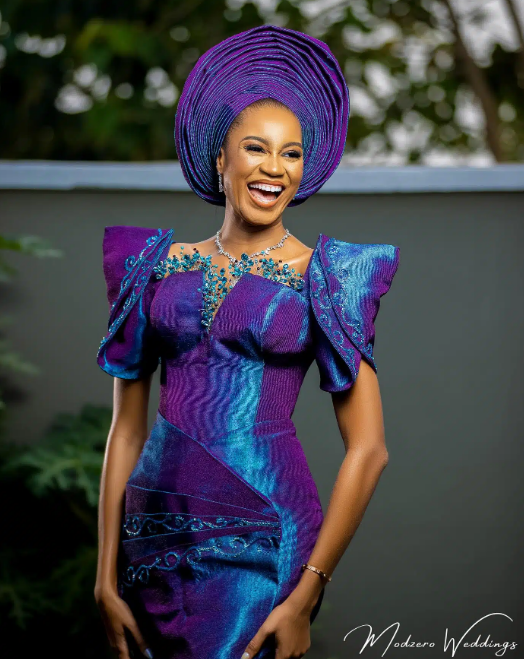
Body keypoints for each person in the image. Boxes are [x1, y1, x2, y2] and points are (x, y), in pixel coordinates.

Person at [94, 24, 400, 659]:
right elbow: (126, 430)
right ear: (220, 158)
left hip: (265, 531)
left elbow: (369, 449)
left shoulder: (327, 277)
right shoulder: (154, 265)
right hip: (152, 539)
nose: (275, 169)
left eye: (291, 154)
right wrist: (103, 577)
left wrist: (306, 596)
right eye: (256, 148)